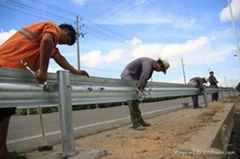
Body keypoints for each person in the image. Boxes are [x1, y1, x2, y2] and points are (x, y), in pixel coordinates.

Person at [0, 21, 89, 159]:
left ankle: (2, 152)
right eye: (67, 40)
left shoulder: (50, 42)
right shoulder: (51, 27)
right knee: (3, 112)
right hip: (4, 67)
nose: (64, 43)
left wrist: (76, 72)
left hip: (11, 72)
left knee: (5, 112)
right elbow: (47, 41)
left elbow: (59, 57)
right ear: (64, 31)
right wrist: (43, 70)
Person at [121, 57, 170, 130]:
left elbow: (145, 79)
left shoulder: (151, 67)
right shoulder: (148, 63)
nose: (160, 71)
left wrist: (141, 89)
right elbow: (144, 76)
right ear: (159, 64)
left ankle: (140, 121)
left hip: (134, 79)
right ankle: (136, 123)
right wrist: (141, 89)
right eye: (161, 69)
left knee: (136, 101)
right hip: (128, 76)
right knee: (132, 100)